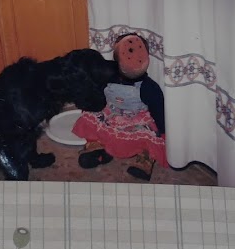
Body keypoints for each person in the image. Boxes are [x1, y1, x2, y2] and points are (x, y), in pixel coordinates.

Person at [71, 33, 167, 180]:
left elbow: (158, 110)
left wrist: (163, 131)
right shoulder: (107, 75)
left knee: (149, 136)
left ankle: (145, 159)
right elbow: (96, 93)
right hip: (111, 112)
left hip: (137, 119)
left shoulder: (148, 87)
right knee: (90, 117)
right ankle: (96, 147)